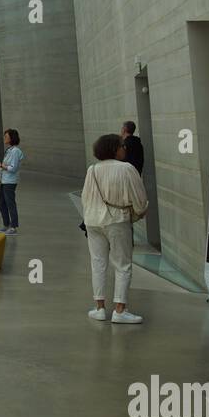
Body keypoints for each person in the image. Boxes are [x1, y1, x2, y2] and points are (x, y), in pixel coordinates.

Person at [82, 133, 149, 324]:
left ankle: (99, 308)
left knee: (98, 263)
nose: (124, 148)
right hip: (117, 220)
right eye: (122, 146)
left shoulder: (92, 170)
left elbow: (86, 198)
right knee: (122, 265)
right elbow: (140, 199)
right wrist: (138, 212)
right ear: (114, 149)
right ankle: (120, 310)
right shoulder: (127, 169)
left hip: (93, 221)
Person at [0, 128, 24, 234]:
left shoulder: (15, 151)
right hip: (4, 180)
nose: (4, 138)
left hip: (10, 182)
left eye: (6, 137)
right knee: (1, 203)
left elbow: (13, 168)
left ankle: (13, 226)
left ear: (12, 138)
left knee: (10, 203)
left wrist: (1, 165)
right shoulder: (9, 150)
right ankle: (6, 224)